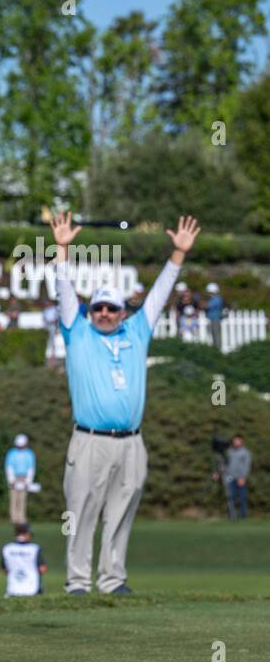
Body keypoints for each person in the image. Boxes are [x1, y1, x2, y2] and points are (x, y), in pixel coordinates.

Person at [48, 210, 201, 595]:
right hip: (89, 439)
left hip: (131, 441)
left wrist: (178, 254)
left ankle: (113, 578)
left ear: (122, 312)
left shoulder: (137, 330)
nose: (104, 314)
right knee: (81, 512)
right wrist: (62, 248)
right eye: (98, 307)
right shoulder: (78, 332)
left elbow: (160, 293)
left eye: (111, 309)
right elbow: (65, 291)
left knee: (122, 511)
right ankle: (78, 581)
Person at [0, 524, 47, 597]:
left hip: (12, 591)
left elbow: (4, 570)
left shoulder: (7, 548)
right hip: (33, 590)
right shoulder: (34, 548)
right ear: (27, 533)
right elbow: (42, 569)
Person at [217, 434, 251, 521]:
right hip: (230, 477)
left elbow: (246, 466)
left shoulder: (245, 452)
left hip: (240, 478)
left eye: (237, 440)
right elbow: (224, 463)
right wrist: (218, 472)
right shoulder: (229, 451)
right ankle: (232, 516)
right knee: (231, 497)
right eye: (234, 440)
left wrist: (243, 477)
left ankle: (243, 517)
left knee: (242, 497)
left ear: (241, 441)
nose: (235, 442)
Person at [4, 434, 36, 525]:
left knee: (22, 499)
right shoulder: (11, 453)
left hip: (24, 478)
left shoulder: (29, 454)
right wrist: (11, 480)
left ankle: (21, 519)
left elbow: (31, 468)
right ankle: (13, 519)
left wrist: (28, 481)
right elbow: (9, 467)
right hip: (14, 478)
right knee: (14, 499)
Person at [204, 282, 225, 352]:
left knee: (216, 335)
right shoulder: (213, 299)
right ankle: (214, 348)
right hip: (211, 319)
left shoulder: (217, 299)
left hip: (215, 319)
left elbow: (207, 306)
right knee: (212, 335)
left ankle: (217, 349)